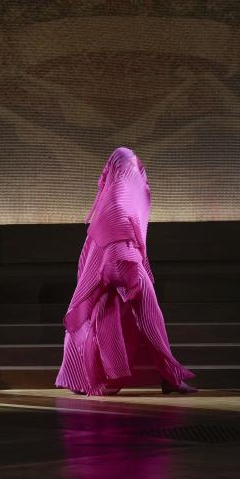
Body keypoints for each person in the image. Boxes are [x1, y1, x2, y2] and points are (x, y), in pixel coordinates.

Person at [55, 147, 197, 396]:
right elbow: (115, 239)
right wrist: (129, 277)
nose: (138, 175)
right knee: (145, 322)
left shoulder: (112, 200)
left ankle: (164, 378)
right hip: (123, 268)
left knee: (109, 321)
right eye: (132, 168)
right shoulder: (118, 201)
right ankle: (167, 379)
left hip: (116, 270)